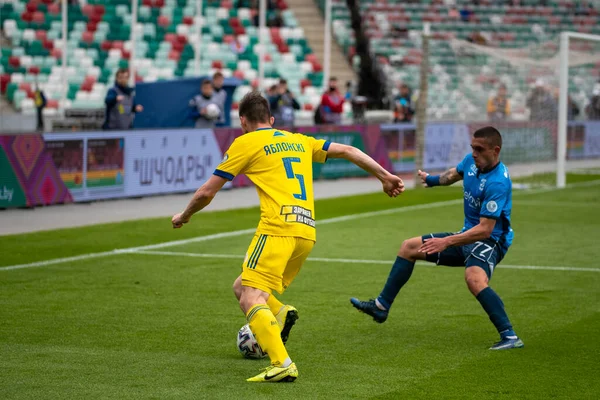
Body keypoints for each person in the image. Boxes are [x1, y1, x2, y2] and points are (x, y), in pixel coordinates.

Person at [171, 91, 404, 382]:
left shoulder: (245, 142)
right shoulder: (298, 140)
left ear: (243, 121)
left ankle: (282, 363)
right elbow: (348, 150)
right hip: (305, 232)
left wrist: (185, 215)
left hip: (277, 228)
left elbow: (207, 192)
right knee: (240, 285)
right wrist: (385, 176)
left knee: (250, 297)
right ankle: (280, 314)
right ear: (271, 119)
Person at [350, 126, 524, 351]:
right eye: (473, 148)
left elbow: (485, 230)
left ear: (495, 150)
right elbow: (454, 174)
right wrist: (431, 180)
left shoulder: (498, 182)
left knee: (474, 279)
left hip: (491, 241)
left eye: (480, 149)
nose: (474, 153)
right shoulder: (472, 162)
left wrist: (447, 242)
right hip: (466, 235)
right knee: (409, 247)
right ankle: (381, 306)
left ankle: (509, 336)